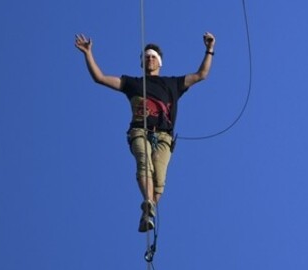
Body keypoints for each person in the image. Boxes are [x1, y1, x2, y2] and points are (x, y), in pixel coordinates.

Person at [74, 32, 215, 232]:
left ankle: (148, 210)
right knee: (143, 161)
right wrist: (88, 53)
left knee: (159, 183)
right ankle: (147, 202)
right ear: (142, 63)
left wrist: (209, 49)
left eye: (153, 57)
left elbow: (201, 74)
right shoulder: (132, 83)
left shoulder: (173, 84)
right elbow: (100, 78)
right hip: (140, 130)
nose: (149, 59)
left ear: (160, 63)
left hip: (164, 137)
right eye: (146, 57)